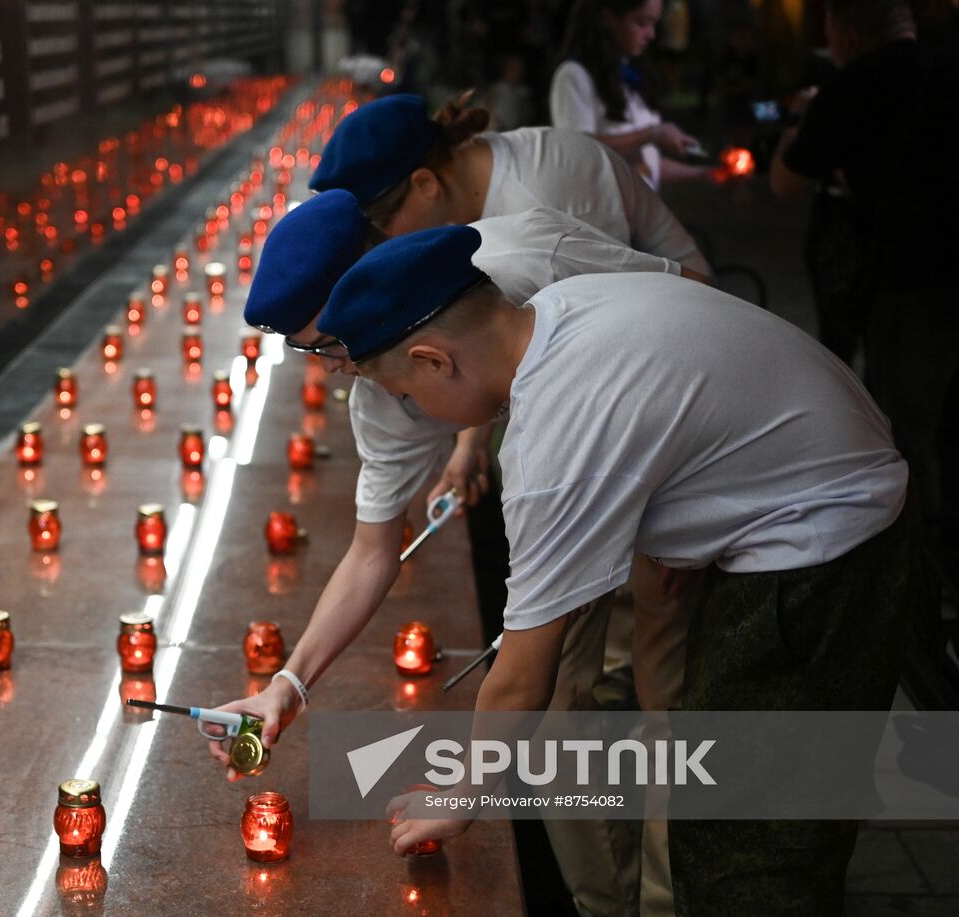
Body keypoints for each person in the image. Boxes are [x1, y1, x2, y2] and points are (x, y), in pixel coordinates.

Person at [318, 224, 923, 916]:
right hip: (841, 493)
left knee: (748, 843)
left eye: (405, 394)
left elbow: (521, 676)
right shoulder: (566, 306)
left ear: (433, 360)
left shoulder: (552, 437)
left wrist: (465, 796)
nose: (414, 413)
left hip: (826, 553)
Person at [238, 191, 700, 917]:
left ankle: (674, 897)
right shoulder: (377, 387)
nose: (332, 369)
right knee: (554, 734)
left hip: (676, 475)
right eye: (311, 351)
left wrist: (687, 505)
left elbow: (684, 311)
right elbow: (371, 551)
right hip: (562, 498)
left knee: (673, 709)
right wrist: (289, 683)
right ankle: (606, 901)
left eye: (328, 344)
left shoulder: (529, 257)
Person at [770, 0, 959, 564]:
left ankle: (919, 568)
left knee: (906, 424)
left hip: (906, 279)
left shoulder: (851, 86)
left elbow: (786, 180)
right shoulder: (950, 66)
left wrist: (801, 120)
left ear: (846, 31)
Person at [309, 93, 710, 275]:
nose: (389, 239)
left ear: (426, 183)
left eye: (383, 226)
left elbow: (607, 331)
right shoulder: (482, 177)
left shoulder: (541, 201)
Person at [551, 0, 716, 188]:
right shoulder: (575, 75)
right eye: (642, 22)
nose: (651, 35)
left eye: (655, 23)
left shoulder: (630, 77)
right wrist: (651, 134)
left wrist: (706, 175)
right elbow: (577, 150)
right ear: (608, 19)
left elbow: (646, 166)